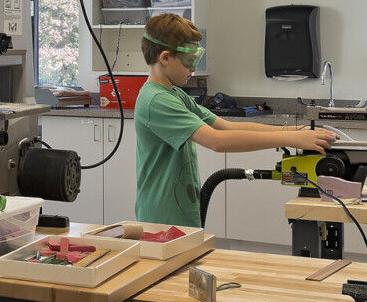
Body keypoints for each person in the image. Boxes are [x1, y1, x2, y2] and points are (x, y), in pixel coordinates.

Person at [136, 14, 335, 227]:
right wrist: (290, 138)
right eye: (189, 61)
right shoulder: (156, 100)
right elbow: (217, 141)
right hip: (162, 217)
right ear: (165, 58)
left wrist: (293, 132)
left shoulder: (175, 94)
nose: (193, 69)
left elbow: (228, 126)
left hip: (180, 210)